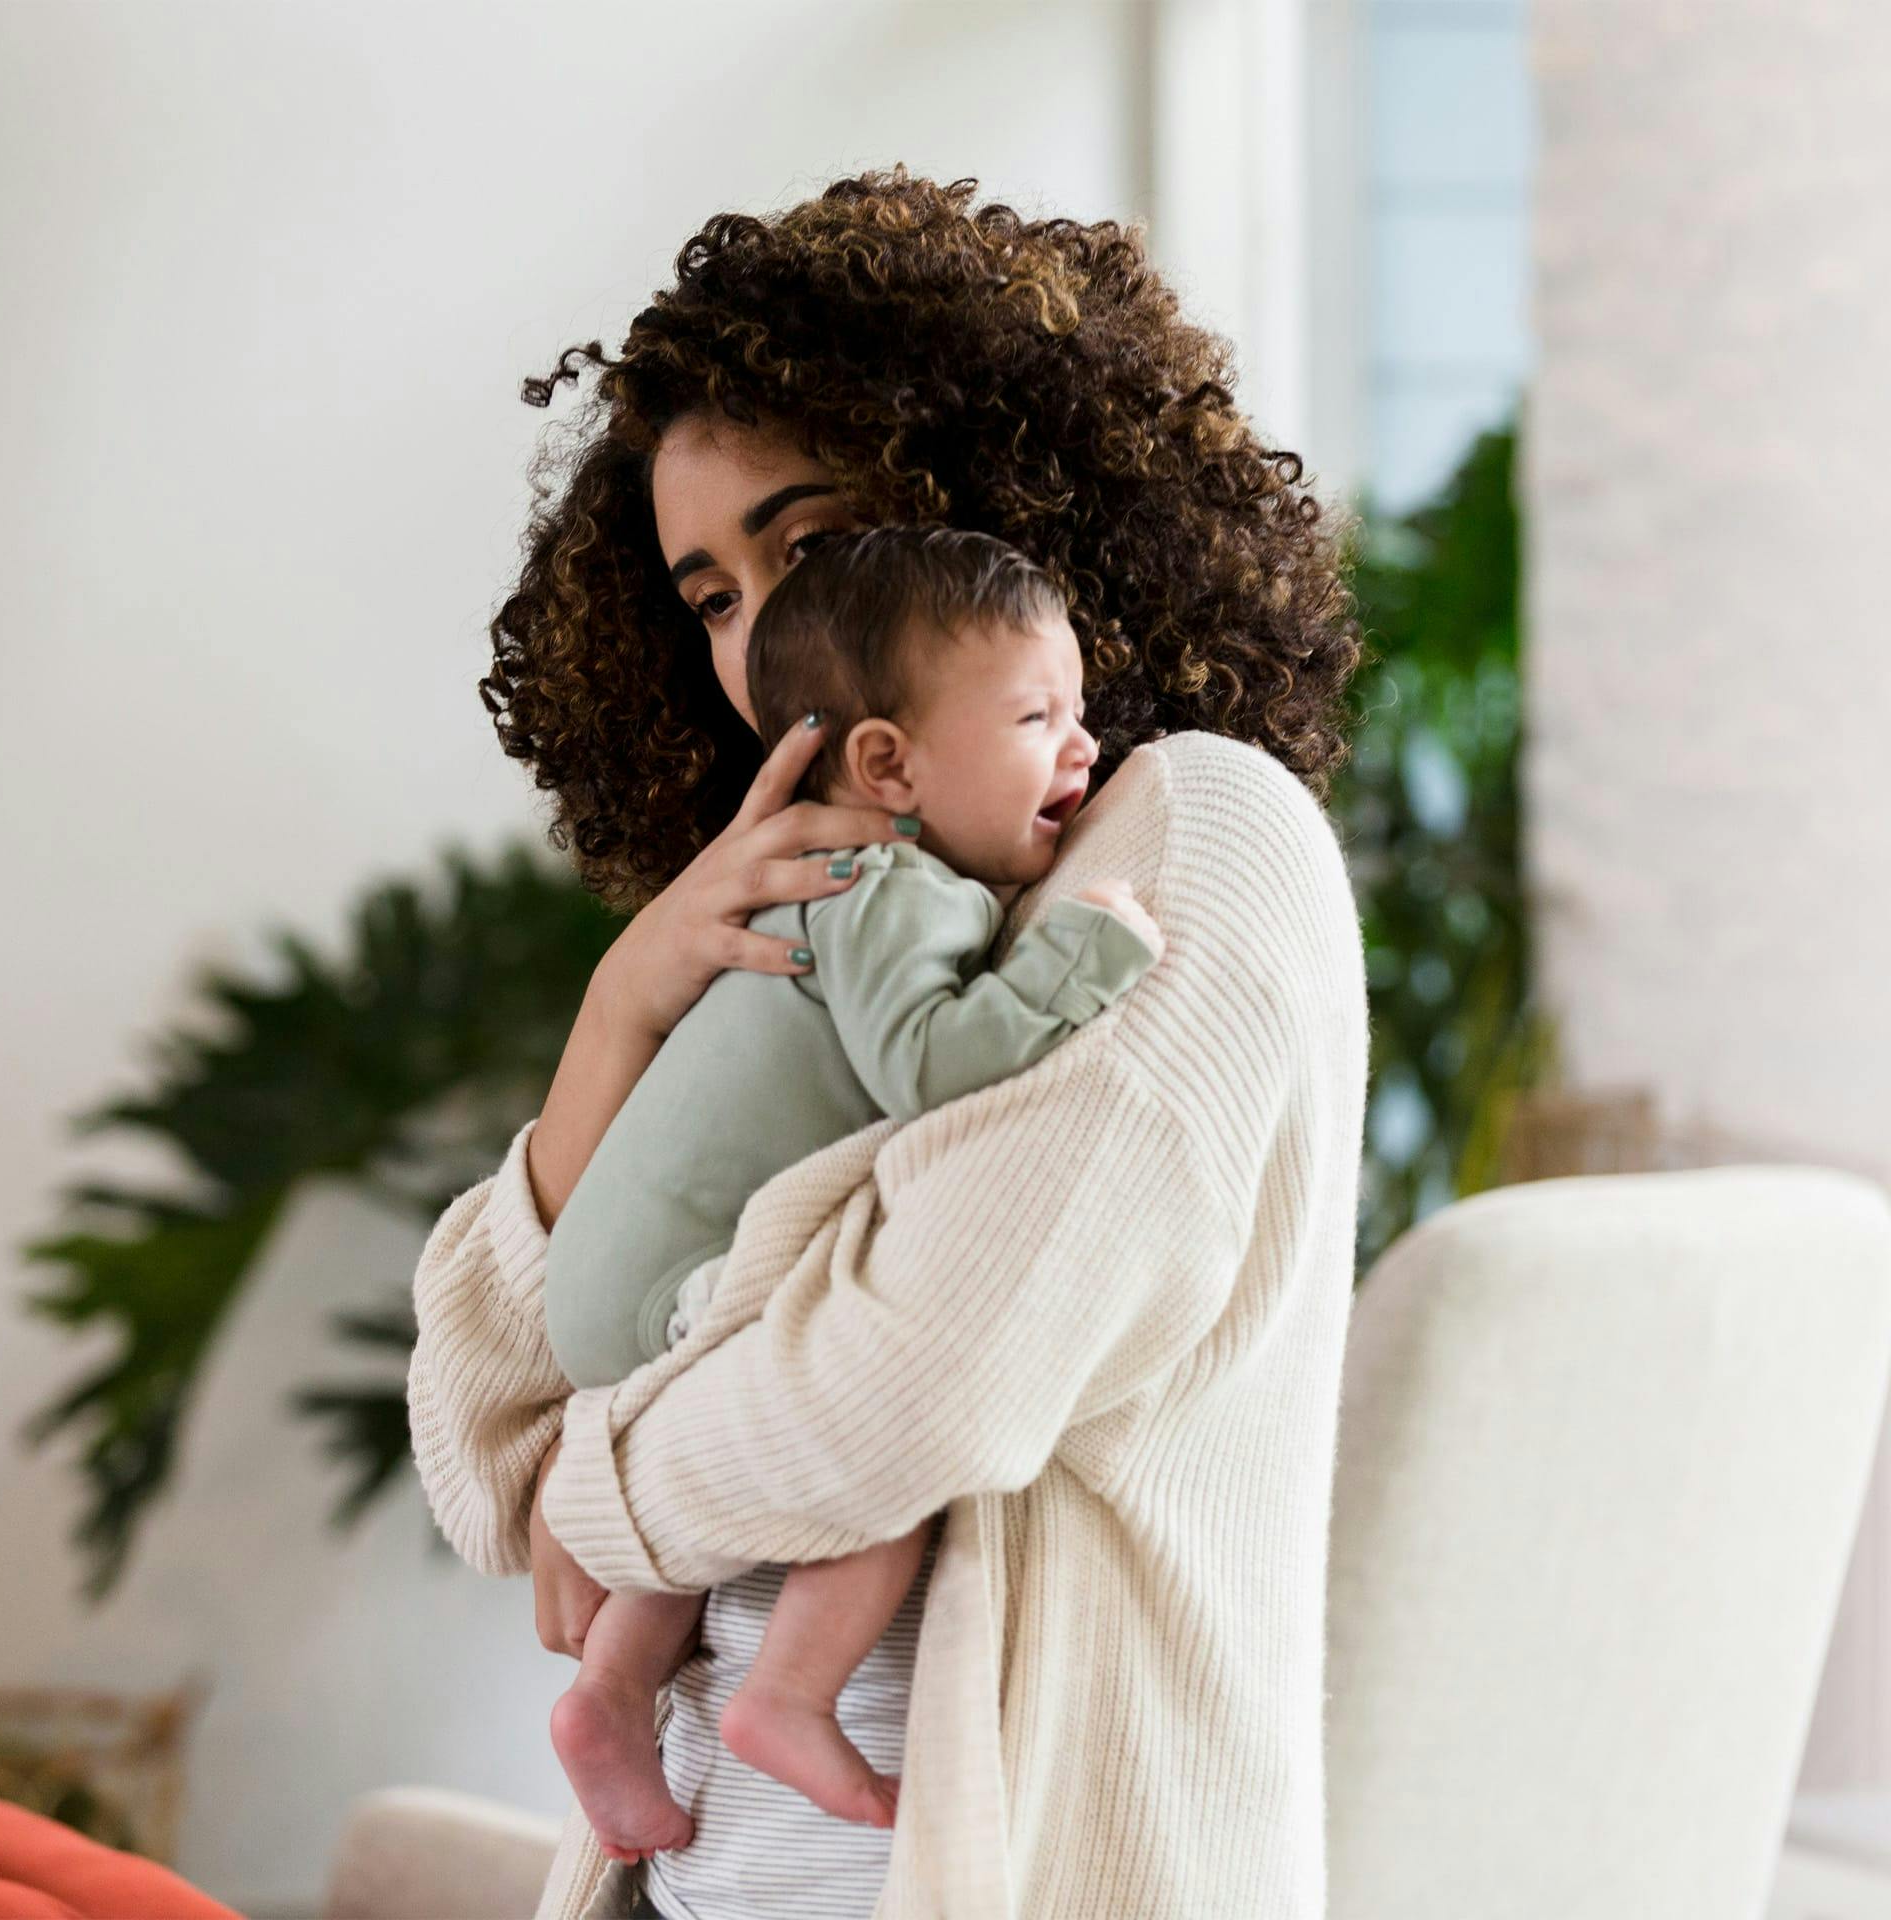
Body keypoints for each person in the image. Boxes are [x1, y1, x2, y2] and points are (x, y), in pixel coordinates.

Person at [406, 166, 1370, 1920]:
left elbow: (902, 1393)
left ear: (992, 515)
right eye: (709, 596)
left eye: (810, 545)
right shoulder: (842, 922)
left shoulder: (1196, 839)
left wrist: (600, 1491)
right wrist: (625, 1004)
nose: (761, 643)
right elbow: (485, 1453)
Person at [542, 525, 1162, 1858]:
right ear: (887, 765)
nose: (1084, 747)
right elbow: (931, 1066)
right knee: (888, 1446)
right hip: (671, 1278)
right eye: (1037, 718)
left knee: (758, 1402)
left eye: (1079, 711)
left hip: (614, 1277)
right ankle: (789, 1693)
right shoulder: (895, 889)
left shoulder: (837, 889)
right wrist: (1084, 958)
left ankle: (611, 1691)